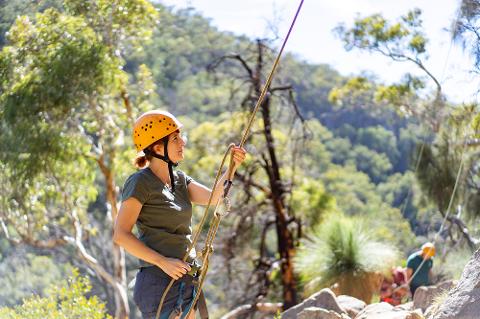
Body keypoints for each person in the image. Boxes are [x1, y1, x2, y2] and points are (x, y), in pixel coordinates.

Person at [113, 110, 247, 319]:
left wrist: (232, 167)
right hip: (159, 283)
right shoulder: (140, 183)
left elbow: (214, 198)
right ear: (158, 147)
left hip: (185, 279)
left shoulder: (180, 180)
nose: (183, 142)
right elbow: (121, 235)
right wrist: (162, 261)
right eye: (175, 138)